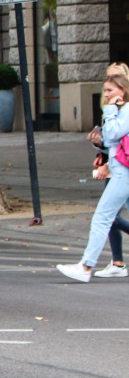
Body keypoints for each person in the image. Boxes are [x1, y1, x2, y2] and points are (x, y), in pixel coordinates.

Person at [58, 73, 129, 282]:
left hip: (123, 172)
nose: (106, 94)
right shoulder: (121, 110)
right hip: (120, 169)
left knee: (102, 218)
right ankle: (86, 266)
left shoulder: (125, 110)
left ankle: (86, 267)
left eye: (110, 90)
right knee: (104, 217)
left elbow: (112, 134)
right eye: (105, 90)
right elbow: (108, 140)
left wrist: (110, 111)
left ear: (122, 91)